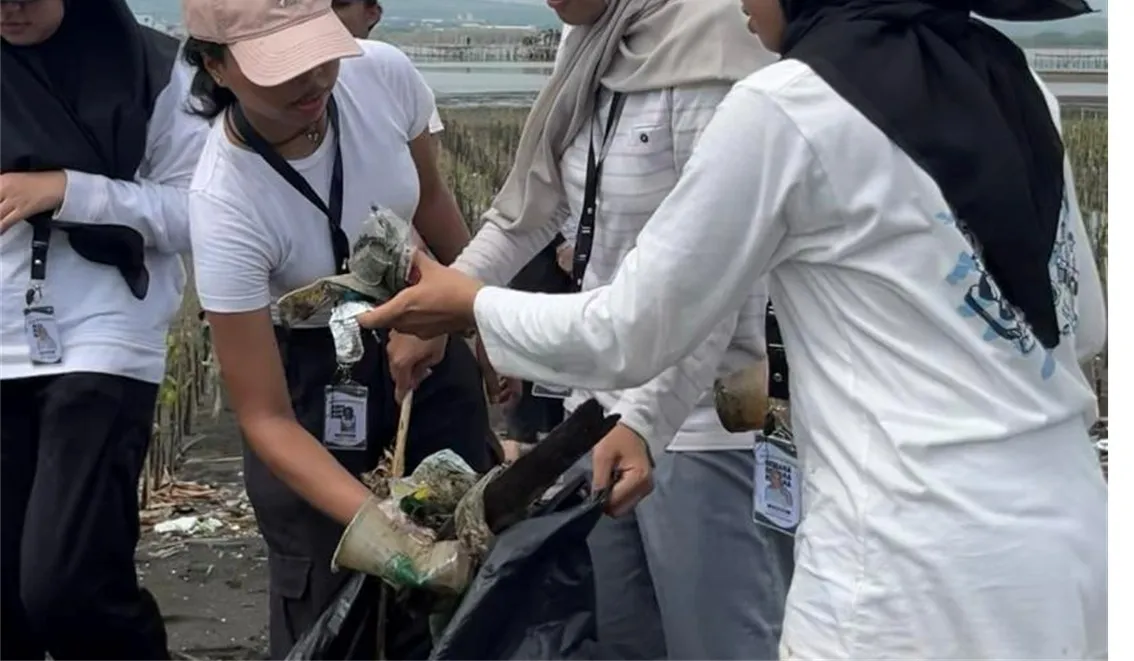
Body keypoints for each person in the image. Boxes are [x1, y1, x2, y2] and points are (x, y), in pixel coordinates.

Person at [360, 0, 1110, 658]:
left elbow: (631, 329)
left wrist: (473, 306)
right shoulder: (1015, 79)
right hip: (1070, 541)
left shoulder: (788, 106)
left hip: (903, 569)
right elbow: (1081, 330)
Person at [415, 0, 791, 658]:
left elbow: (714, 288)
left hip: (701, 428)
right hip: (596, 415)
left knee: (719, 643)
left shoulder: (716, 51)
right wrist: (440, 304)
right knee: (618, 640)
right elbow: (534, 207)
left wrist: (644, 421)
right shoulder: (593, 41)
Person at [179, 0, 494, 657]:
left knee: (469, 568)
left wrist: (476, 316)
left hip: (424, 342)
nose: (314, 80)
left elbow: (432, 202)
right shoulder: (225, 201)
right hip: (311, 377)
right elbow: (266, 417)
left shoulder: (382, 75)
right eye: (281, 66)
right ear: (216, 65)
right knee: (330, 596)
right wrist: (379, 530)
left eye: (319, 53)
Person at [0, 0, 208, 658]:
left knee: (68, 585)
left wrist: (68, 190)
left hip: (103, 340)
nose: (9, 9)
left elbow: (200, 208)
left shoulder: (153, 67)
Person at [332, 0, 445, 153]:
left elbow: (425, 158)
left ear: (372, 14)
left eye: (339, 5)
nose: (325, 15)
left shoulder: (395, 73)